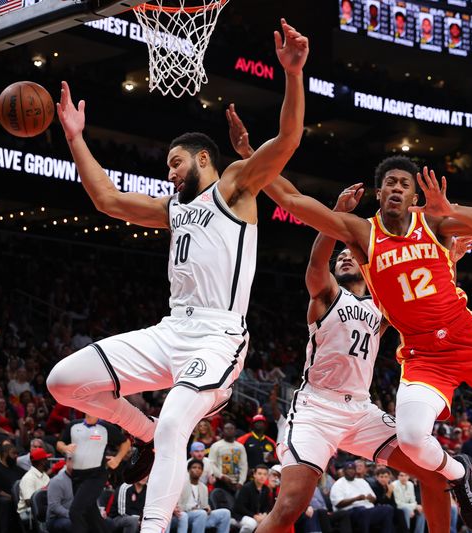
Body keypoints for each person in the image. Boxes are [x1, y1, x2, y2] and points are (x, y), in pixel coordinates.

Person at [236, 149, 472, 529]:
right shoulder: (360, 236)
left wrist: (448, 207)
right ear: (379, 192)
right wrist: (255, 157)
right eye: (390, 183)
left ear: (414, 195)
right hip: (417, 359)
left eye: (404, 184)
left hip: (469, 341)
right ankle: (459, 474)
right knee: (413, 440)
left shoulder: (431, 224)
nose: (397, 189)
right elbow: (292, 199)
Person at [44, 18, 309, 533]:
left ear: (203, 159)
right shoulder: (173, 208)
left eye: (174, 163)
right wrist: (76, 138)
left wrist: (293, 75)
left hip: (217, 335)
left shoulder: (233, 186)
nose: (169, 173)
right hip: (170, 332)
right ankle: (137, 426)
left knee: (174, 426)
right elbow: (107, 200)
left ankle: (154, 527)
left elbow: (290, 137)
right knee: (63, 381)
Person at [228, 111, 472, 533]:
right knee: (290, 506)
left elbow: (421, 287)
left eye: (351, 254)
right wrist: (336, 217)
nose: (346, 256)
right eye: (342, 255)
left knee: (436, 474)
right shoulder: (325, 293)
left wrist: (448, 256)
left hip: (359, 411)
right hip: (315, 409)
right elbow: (313, 256)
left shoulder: (383, 303)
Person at [57, 413, 130, 533]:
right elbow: (60, 443)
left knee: (76, 512)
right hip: (77, 476)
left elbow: (125, 442)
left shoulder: (105, 428)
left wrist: (117, 459)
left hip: (96, 475)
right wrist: (65, 448)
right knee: (91, 514)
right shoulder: (74, 425)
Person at [329, 461, 395, 533]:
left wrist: (371, 498)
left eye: (353, 469)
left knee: (388, 509)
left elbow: (374, 499)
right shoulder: (339, 484)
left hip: (369, 509)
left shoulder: (362, 481)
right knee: (363, 511)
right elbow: (338, 503)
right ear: (344, 471)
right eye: (349, 469)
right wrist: (356, 499)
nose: (351, 471)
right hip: (350, 511)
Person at [180, 459, 231, 533]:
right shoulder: (182, 485)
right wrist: (192, 509)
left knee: (225, 513)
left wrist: (207, 508)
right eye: (194, 467)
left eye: (199, 468)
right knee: (201, 513)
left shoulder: (204, 487)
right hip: (187, 515)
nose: (197, 470)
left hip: (201, 515)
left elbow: (204, 505)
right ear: (188, 470)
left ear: (202, 472)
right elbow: (179, 505)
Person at [0, 442, 26, 533]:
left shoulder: (17, 469)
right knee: (6, 502)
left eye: (17, 454)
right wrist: (13, 497)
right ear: (4, 454)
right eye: (13, 453)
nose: (16, 456)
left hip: (15, 498)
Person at [208, 422, 248, 492]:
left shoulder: (240, 447)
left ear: (235, 431)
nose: (229, 430)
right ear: (223, 431)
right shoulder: (216, 446)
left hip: (237, 483)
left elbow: (243, 465)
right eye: (226, 429)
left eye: (231, 429)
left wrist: (241, 482)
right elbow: (211, 463)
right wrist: (221, 476)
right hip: (221, 482)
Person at [235, 464, 274, 532]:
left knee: (268, 523)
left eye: (265, 474)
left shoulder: (266, 489)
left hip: (257, 516)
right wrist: (254, 516)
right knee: (252, 524)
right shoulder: (246, 488)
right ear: (254, 474)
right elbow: (240, 507)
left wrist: (265, 514)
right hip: (240, 516)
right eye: (259, 474)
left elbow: (267, 506)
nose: (262, 476)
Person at [17, 447, 51, 521]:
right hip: (28, 512)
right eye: (46, 459)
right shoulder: (28, 478)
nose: (48, 461)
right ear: (42, 462)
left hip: (43, 507)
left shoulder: (45, 475)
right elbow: (29, 502)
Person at [47, 456, 74, 533]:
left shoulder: (83, 480)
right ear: (66, 461)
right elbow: (54, 506)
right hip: (56, 519)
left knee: (107, 522)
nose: (74, 462)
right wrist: (72, 515)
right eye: (71, 459)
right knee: (74, 524)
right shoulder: (57, 481)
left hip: (76, 516)